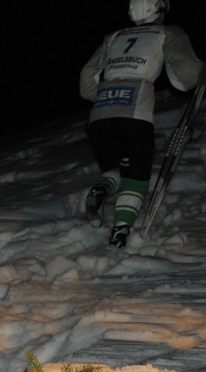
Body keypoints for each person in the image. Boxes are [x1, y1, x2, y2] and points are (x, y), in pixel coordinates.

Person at [80, 0, 204, 248]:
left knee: (117, 168)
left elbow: (86, 82)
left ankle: (102, 188)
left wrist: (107, 96)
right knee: (135, 179)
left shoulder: (113, 37)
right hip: (135, 116)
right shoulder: (168, 33)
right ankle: (120, 231)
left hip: (100, 117)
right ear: (158, 11)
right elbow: (187, 78)